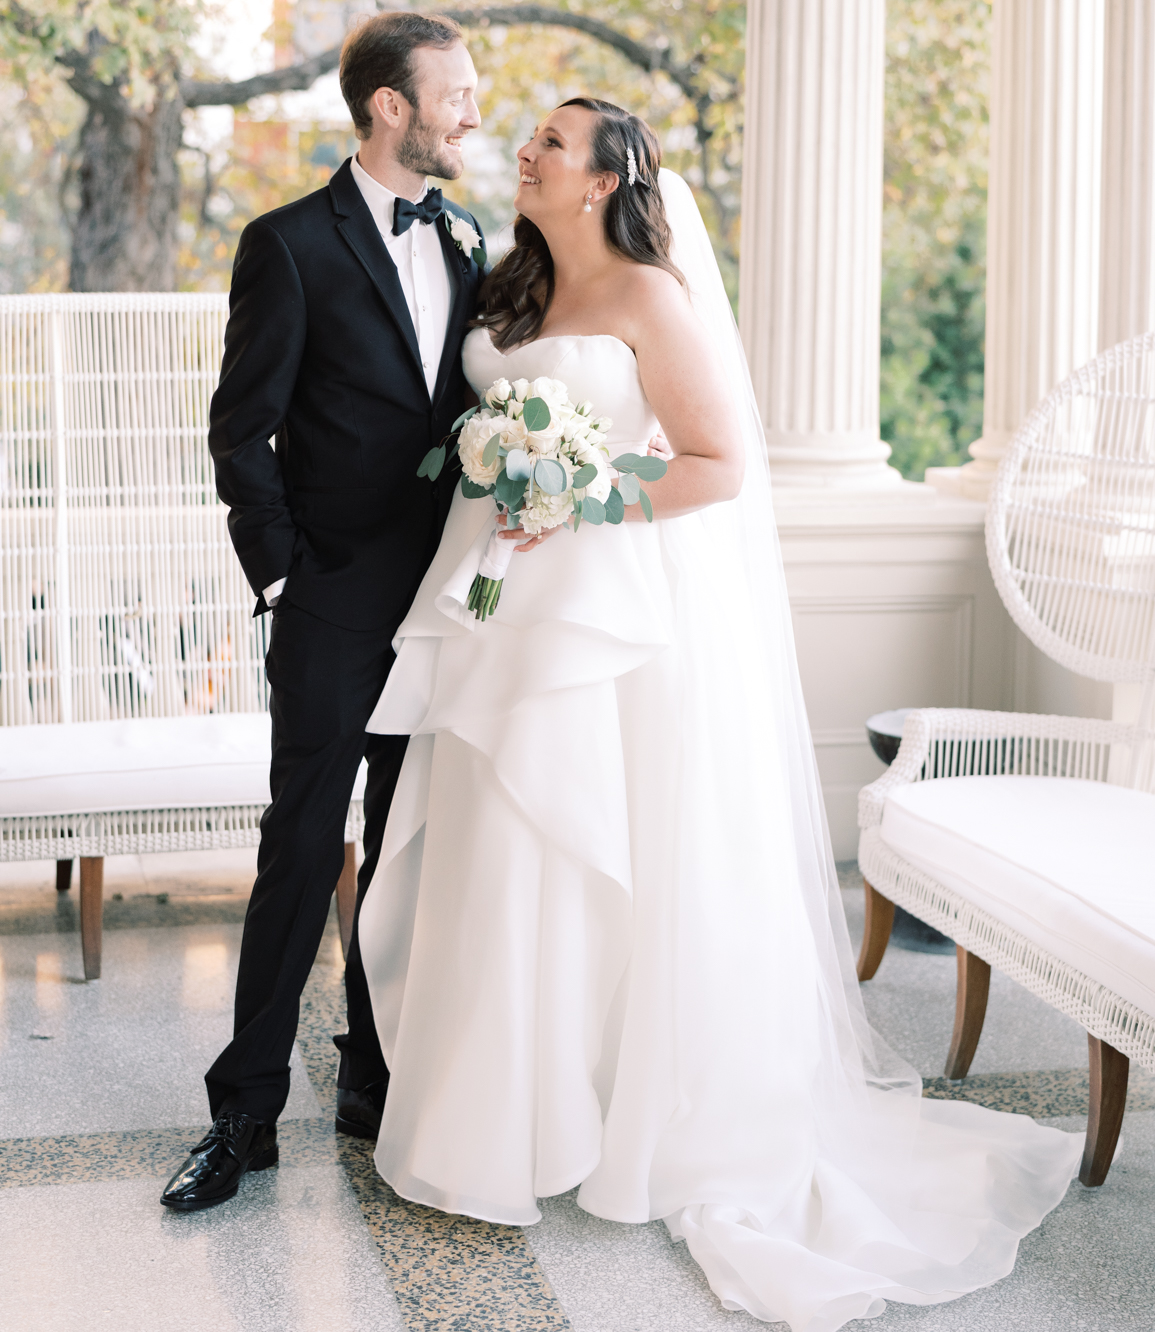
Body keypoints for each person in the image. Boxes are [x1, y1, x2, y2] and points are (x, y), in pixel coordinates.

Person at [354, 98, 1083, 1332]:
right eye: (528, 136)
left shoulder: (651, 299)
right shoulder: (508, 291)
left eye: (551, 143)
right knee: (497, 843)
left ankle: (618, 1114)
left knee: (584, 840)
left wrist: (579, 494)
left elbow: (717, 463)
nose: (525, 150)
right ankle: (504, 1120)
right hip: (491, 600)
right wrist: (504, 466)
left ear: (601, 182)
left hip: (598, 611)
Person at [161, 10, 487, 1211]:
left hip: (446, 600)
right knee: (301, 844)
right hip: (331, 599)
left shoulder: (463, 234)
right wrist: (289, 578)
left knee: (407, 850)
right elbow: (238, 428)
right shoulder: (287, 243)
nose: (471, 111)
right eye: (454, 91)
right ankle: (243, 1114)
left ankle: (374, 1076)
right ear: (390, 105)